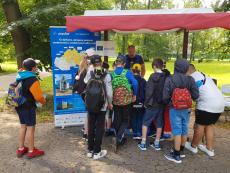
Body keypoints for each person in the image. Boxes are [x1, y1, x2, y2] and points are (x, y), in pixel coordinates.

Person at [163, 59, 199, 164]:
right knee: (184, 129)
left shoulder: (170, 79)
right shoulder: (190, 79)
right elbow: (196, 95)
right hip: (186, 109)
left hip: (174, 108)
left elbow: (165, 97)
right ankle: (181, 150)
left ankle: (176, 155)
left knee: (177, 131)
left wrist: (169, 102)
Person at [185, 64, 225, 157]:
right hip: (220, 103)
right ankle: (209, 149)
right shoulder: (203, 74)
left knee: (200, 125)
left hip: (207, 105)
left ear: (188, 71)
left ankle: (193, 146)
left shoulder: (191, 78)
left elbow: (192, 96)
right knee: (209, 125)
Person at [15, 58, 46, 159]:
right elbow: (38, 97)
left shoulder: (19, 75)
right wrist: (43, 102)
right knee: (30, 128)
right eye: (36, 66)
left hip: (19, 105)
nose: (36, 68)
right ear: (33, 68)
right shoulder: (33, 79)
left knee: (23, 126)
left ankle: (20, 149)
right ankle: (31, 151)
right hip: (28, 106)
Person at [84, 55, 113, 160]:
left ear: (92, 63)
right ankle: (97, 152)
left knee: (91, 127)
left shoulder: (90, 72)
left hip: (90, 105)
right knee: (100, 128)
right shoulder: (106, 74)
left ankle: (90, 150)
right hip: (102, 105)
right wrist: (110, 103)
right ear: (101, 62)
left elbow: (85, 82)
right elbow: (109, 93)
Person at [138, 59, 167, 151]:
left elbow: (148, 92)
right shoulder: (166, 76)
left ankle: (143, 143)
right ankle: (157, 143)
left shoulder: (152, 76)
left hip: (151, 104)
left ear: (154, 66)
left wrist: (146, 103)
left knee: (145, 122)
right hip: (161, 104)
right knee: (159, 124)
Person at [111, 55, 138, 152]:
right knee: (125, 119)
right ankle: (118, 138)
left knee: (117, 118)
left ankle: (118, 138)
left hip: (115, 100)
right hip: (126, 100)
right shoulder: (128, 72)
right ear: (124, 63)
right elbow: (135, 83)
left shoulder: (112, 73)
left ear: (116, 63)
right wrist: (134, 94)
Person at [131, 64, 146, 140]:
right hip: (141, 102)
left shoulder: (130, 79)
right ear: (140, 71)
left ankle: (134, 133)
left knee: (133, 117)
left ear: (132, 70)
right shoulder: (143, 80)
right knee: (140, 117)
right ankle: (139, 133)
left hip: (132, 102)